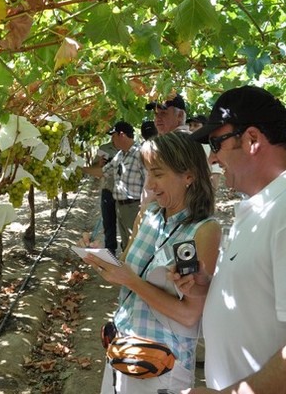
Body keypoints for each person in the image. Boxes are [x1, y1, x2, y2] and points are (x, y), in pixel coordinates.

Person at [178, 85, 286, 393]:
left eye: (216, 143)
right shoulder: (267, 208)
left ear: (252, 139)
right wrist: (210, 286)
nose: (213, 157)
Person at [83, 131, 221, 394]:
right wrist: (101, 258)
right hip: (123, 347)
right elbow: (124, 270)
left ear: (189, 176)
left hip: (161, 364)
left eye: (157, 174)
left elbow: (190, 314)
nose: (149, 184)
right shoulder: (148, 216)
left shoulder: (204, 230)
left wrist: (131, 281)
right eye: (147, 173)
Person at [83, 121, 145, 252]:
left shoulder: (140, 154)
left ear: (121, 135)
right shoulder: (120, 155)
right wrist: (80, 169)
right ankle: (121, 261)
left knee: (134, 243)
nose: (112, 139)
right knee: (126, 244)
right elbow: (103, 172)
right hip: (120, 206)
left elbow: (148, 182)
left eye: (113, 136)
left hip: (134, 207)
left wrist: (144, 207)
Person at [96, 141, 118, 254]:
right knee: (108, 222)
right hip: (108, 189)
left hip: (125, 193)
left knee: (127, 223)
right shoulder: (103, 148)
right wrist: (99, 164)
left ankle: (127, 251)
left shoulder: (131, 149)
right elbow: (95, 169)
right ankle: (110, 251)